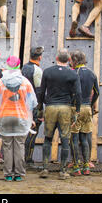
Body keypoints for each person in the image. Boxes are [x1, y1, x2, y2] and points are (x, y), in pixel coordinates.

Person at [0, 56, 37, 182]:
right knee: (20, 145)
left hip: (5, 117)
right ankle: (19, 174)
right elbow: (31, 102)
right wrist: (31, 118)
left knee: (7, 146)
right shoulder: (25, 82)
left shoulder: (1, 82)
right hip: (21, 118)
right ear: (19, 66)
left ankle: (8, 174)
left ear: (7, 66)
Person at [38, 48, 82, 180]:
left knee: (48, 138)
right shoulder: (73, 74)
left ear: (56, 58)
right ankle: (62, 171)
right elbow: (78, 94)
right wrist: (77, 110)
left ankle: (45, 168)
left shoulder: (47, 72)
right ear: (69, 60)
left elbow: (41, 92)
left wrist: (40, 107)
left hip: (51, 107)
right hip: (65, 108)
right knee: (65, 139)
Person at [68, 50, 99, 176]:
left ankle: (76, 167)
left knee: (74, 138)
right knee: (85, 138)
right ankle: (86, 165)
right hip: (87, 108)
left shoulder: (73, 73)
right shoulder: (92, 74)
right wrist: (91, 106)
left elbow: (70, 91)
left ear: (75, 61)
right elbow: (97, 92)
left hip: (75, 108)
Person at [21, 46, 44, 168]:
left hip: (23, 103)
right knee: (32, 132)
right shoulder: (37, 70)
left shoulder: (24, 67)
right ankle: (28, 160)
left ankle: (22, 159)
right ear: (40, 57)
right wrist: (40, 110)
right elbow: (39, 92)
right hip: (33, 105)